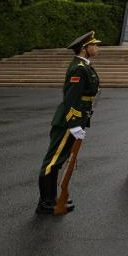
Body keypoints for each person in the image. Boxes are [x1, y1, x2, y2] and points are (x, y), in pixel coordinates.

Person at [35, 31, 101, 214]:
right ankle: (46, 202)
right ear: (84, 48)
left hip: (76, 119)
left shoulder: (84, 66)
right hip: (67, 122)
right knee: (53, 162)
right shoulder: (78, 68)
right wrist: (74, 123)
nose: (97, 48)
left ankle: (51, 198)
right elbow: (71, 98)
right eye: (93, 45)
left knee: (60, 160)